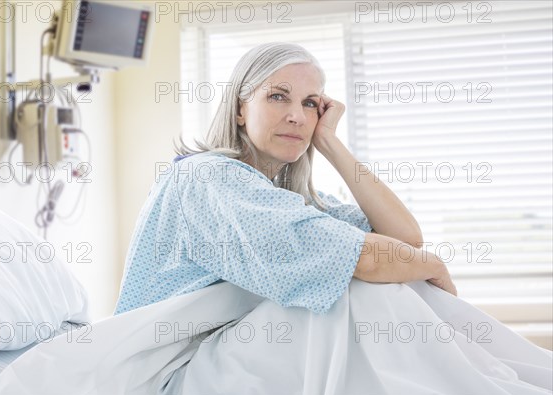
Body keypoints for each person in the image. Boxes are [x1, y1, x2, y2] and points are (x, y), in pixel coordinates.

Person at [114, 42, 456, 316]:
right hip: (166, 364)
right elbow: (363, 258)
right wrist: (433, 266)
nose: (296, 116)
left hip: (216, 356)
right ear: (239, 109)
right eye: (278, 96)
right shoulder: (207, 177)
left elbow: (404, 238)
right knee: (361, 292)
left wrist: (329, 142)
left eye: (310, 103)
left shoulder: (280, 195)